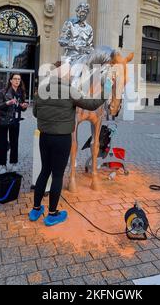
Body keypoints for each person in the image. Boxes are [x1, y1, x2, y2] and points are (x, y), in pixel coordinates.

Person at [29, 63, 108, 227]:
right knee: (57, 175)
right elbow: (92, 105)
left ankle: (36, 209)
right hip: (62, 139)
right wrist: (106, 90)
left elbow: (35, 112)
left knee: (45, 171)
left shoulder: (42, 90)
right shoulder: (70, 90)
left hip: (45, 137)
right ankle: (52, 214)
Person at [0, 73, 28, 173]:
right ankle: (2, 165)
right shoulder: (3, 91)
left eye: (19, 79)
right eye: (15, 79)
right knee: (2, 143)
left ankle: (14, 163)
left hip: (15, 120)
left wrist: (24, 107)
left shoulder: (21, 92)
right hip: (3, 120)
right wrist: (7, 103)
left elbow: (21, 108)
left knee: (14, 142)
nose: (17, 81)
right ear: (10, 80)